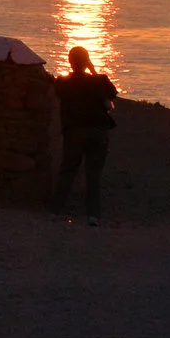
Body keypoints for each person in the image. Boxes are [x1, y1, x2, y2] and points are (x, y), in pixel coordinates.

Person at [51, 46, 119, 224]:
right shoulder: (100, 81)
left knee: (68, 171)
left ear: (70, 62)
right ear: (87, 61)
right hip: (98, 131)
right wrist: (93, 69)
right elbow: (112, 94)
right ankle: (93, 215)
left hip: (74, 131)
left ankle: (55, 210)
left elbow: (58, 93)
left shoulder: (62, 83)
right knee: (93, 174)